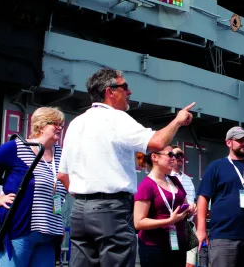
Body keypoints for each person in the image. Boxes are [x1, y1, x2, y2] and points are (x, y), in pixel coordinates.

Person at [56, 68, 195, 267]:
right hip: (111, 210)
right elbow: (157, 142)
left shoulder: (77, 123)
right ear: (109, 92)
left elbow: (62, 174)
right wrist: (178, 120)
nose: (129, 92)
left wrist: (88, 199)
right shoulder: (116, 119)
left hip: (80, 211)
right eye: (124, 87)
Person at [0, 107, 68, 266]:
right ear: (41, 126)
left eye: (62, 124)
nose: (60, 127)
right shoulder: (18, 147)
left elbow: (60, 191)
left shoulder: (61, 154)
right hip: (20, 231)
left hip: (49, 234)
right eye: (55, 123)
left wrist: (59, 223)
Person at [197, 127, 244, 267]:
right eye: (240, 140)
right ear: (228, 143)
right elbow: (203, 198)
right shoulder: (216, 166)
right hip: (224, 237)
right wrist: (201, 229)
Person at [135, 147, 195, 266]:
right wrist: (169, 221)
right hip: (155, 248)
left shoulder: (175, 181)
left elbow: (184, 206)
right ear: (155, 157)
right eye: (170, 154)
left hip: (178, 245)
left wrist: (190, 210)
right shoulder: (146, 185)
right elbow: (138, 222)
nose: (174, 158)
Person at [171, 146, 197, 267]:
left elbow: (193, 200)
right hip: (174, 226)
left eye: (182, 155)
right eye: (177, 155)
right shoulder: (167, 177)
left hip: (190, 225)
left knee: (190, 262)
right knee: (175, 259)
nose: (180, 158)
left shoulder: (188, 179)